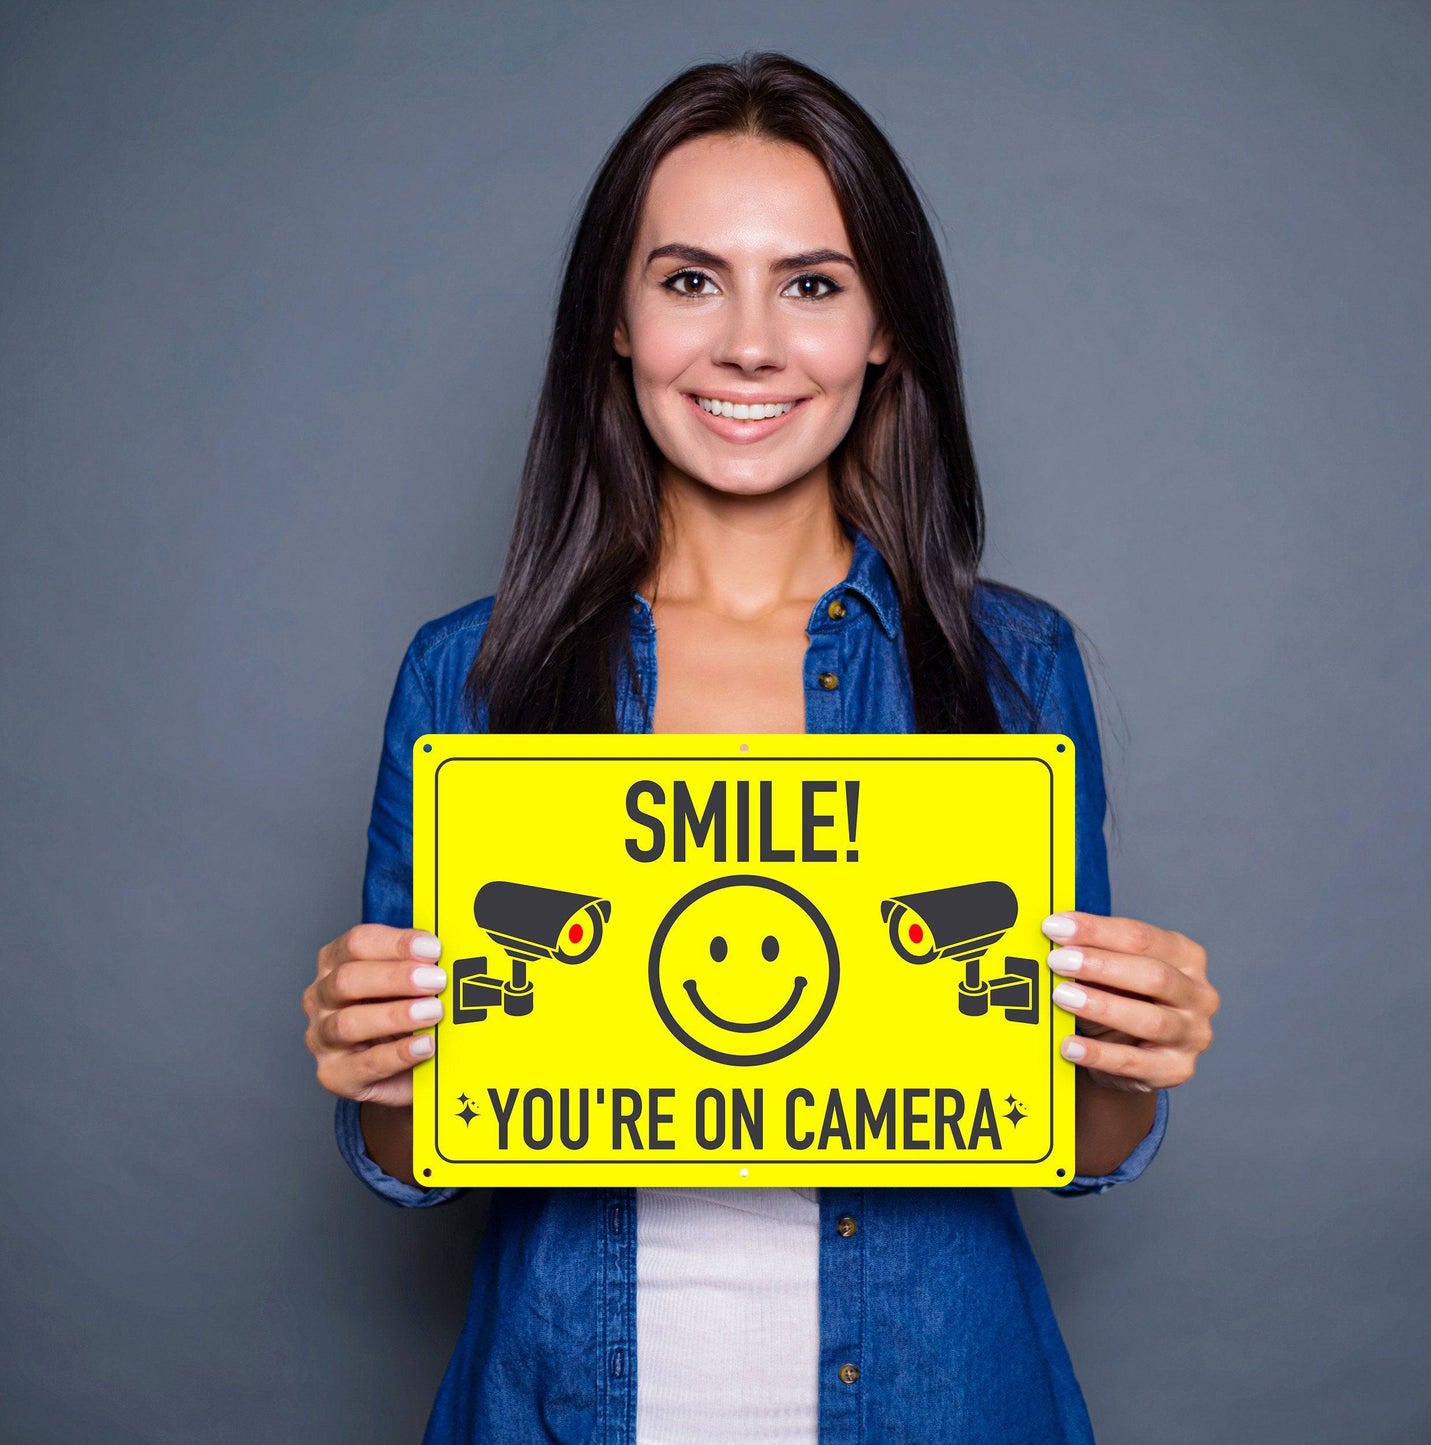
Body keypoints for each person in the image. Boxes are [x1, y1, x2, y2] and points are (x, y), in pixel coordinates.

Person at [302, 52, 1218, 1445]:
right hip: (564, 1401)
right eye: (687, 280)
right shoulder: (473, 673)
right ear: (615, 320)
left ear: (883, 327)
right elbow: (419, 1148)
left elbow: (1064, 1131)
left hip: (936, 1401)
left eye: (810, 282)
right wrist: (377, 1059)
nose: (747, 342)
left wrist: (1126, 1058)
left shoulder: (1007, 667)